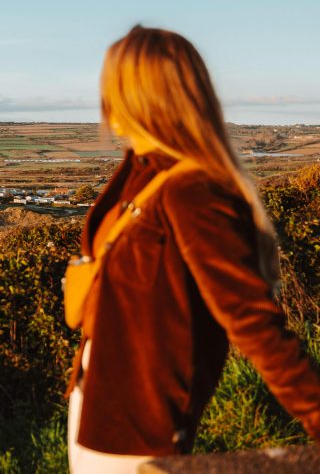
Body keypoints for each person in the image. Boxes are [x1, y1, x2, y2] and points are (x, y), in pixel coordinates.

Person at [66, 25, 320, 473]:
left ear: (152, 96)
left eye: (119, 88)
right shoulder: (141, 171)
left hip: (139, 423)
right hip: (93, 402)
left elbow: (252, 323)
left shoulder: (193, 192)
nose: (107, 103)